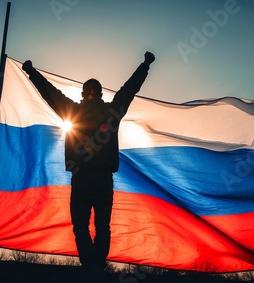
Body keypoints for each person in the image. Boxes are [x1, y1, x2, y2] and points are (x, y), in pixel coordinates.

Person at [22, 52, 155, 281]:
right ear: (101, 94)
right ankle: (97, 265)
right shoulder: (111, 113)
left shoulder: (73, 111)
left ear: (83, 94)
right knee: (102, 226)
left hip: (82, 178)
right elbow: (128, 90)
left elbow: (49, 93)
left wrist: (32, 72)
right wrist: (145, 65)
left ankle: (90, 264)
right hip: (103, 179)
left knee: (81, 225)